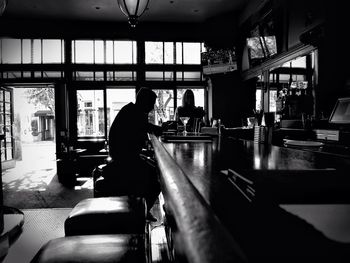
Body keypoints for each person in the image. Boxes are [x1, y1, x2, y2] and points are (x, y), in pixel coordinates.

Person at [106, 87, 162, 221]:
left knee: (155, 168)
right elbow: (147, 127)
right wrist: (163, 129)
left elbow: (144, 128)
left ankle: (141, 209)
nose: (152, 107)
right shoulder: (133, 112)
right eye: (151, 103)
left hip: (124, 155)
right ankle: (141, 212)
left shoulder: (131, 110)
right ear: (144, 101)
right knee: (157, 178)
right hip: (123, 158)